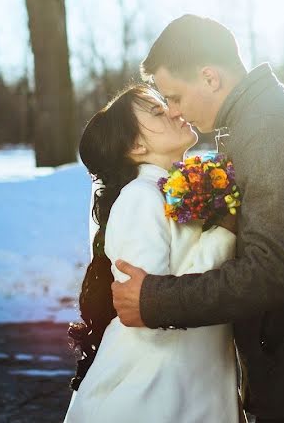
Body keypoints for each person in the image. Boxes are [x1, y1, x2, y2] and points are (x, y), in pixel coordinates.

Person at [112, 15, 284, 423]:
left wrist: (155, 300)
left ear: (210, 78)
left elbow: (276, 269)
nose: (174, 111)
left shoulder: (271, 128)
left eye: (176, 96)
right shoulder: (260, 120)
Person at [64, 83, 244, 423]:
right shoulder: (140, 199)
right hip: (155, 394)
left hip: (193, 381)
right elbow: (151, 308)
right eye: (158, 112)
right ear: (136, 145)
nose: (175, 111)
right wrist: (223, 232)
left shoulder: (169, 190)